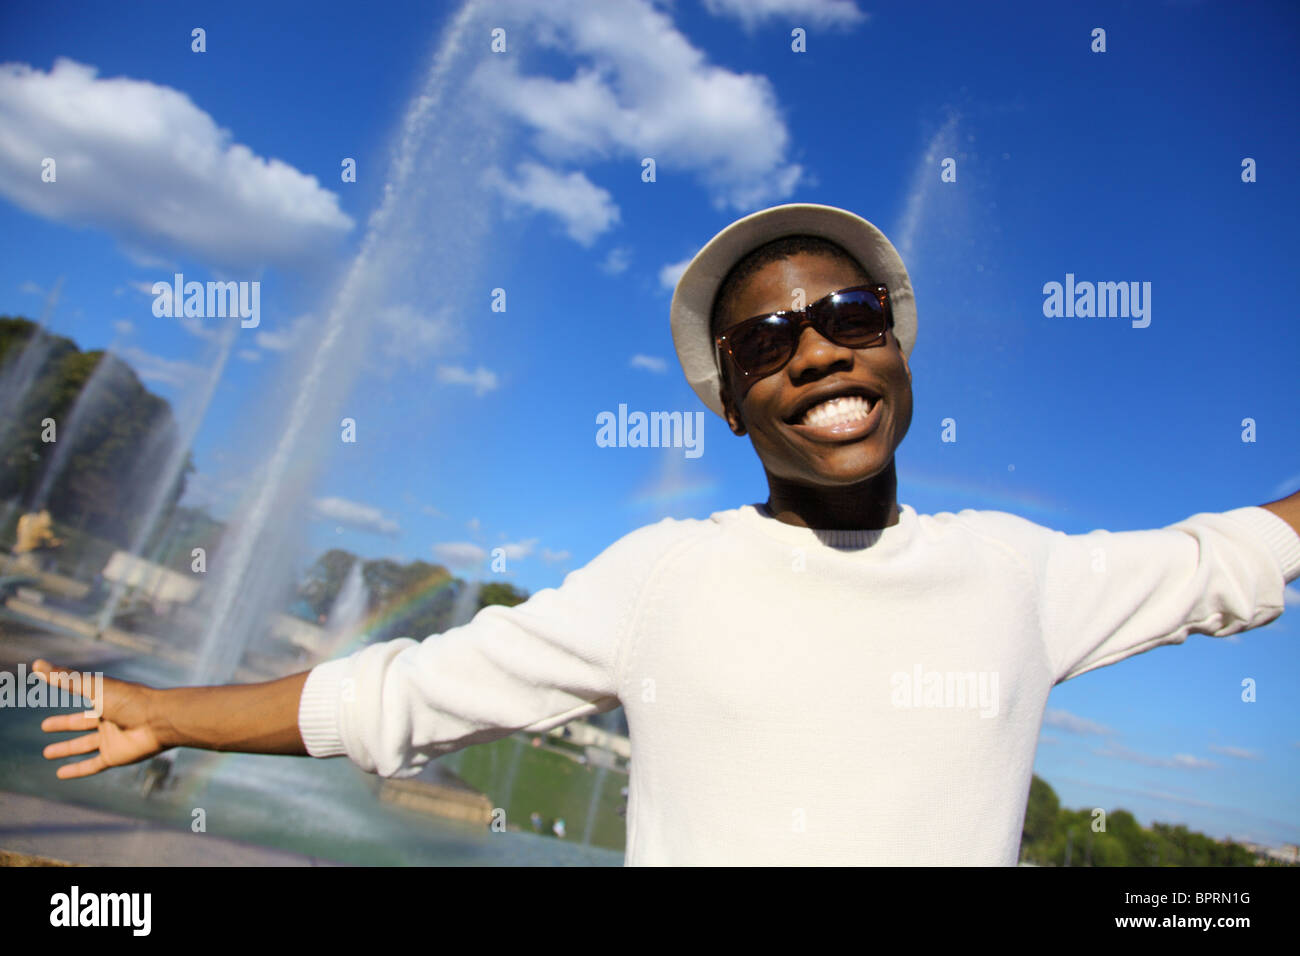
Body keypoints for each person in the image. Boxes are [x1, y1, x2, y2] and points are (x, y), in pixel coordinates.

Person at [33, 203, 1300, 865]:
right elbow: (405, 694)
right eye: (766, 341)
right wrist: (170, 711)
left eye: (848, 314)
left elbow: (1234, 554)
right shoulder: (663, 578)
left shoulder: (1022, 570)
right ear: (736, 408)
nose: (816, 350)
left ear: (896, 350)